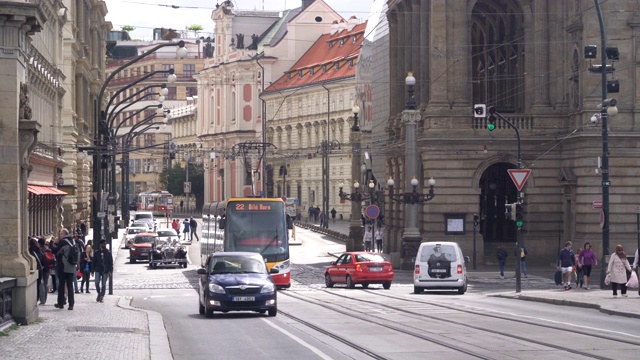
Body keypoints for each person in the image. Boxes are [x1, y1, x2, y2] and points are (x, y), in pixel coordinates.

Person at [52, 228, 76, 310]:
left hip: (63, 266)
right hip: (72, 266)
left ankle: (60, 303)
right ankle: (71, 304)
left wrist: (54, 243)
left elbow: (55, 251)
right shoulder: (73, 241)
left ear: (65, 234)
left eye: (61, 233)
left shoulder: (63, 242)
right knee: (70, 285)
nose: (60, 235)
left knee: (61, 285)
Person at [28, 238, 45, 305]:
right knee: (38, 285)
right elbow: (43, 262)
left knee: (34, 285)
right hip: (40, 270)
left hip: (34, 270)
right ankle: (37, 298)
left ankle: (34, 298)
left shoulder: (30, 252)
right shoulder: (39, 251)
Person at [38, 237, 52, 304]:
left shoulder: (40, 251)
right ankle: (44, 299)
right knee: (45, 284)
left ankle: (42, 300)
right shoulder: (48, 250)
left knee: (41, 284)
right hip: (48, 268)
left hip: (42, 269)